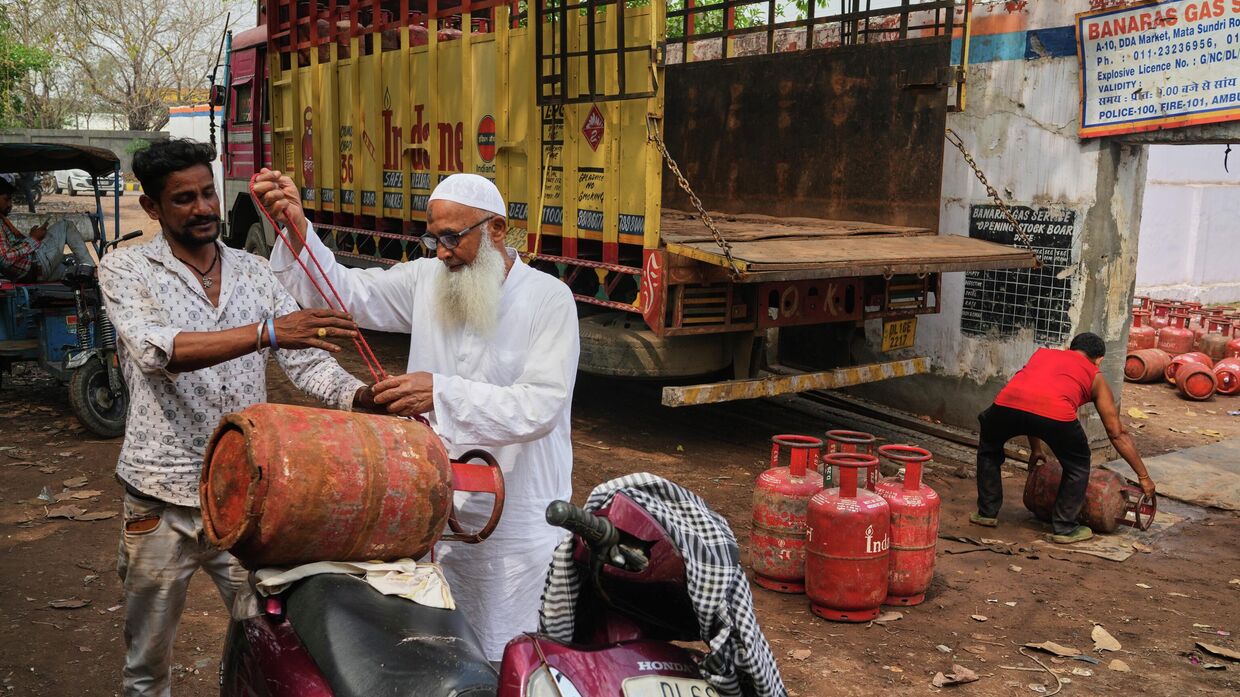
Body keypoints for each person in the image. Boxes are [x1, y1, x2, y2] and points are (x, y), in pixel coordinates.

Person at [254, 169, 579, 661]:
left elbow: (541, 407)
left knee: (513, 654)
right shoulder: (429, 278)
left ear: (497, 230)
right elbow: (343, 292)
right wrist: (299, 228)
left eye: (453, 237)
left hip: (520, 521)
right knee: (444, 650)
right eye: (434, 237)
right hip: (438, 507)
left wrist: (440, 392)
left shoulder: (549, 300)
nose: (443, 250)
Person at [97, 139, 377, 697]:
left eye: (207, 193)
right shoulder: (125, 269)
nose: (202, 207)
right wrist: (265, 333)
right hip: (161, 498)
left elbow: (306, 362)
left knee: (272, 641)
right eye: (183, 199)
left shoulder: (251, 271)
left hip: (245, 494)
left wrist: (364, 398)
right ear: (152, 207)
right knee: (147, 667)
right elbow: (157, 351)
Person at [972, 332, 1157, 544]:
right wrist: (1144, 477)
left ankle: (986, 513)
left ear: (1071, 348)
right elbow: (1116, 433)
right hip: (1056, 414)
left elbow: (1030, 401)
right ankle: (1064, 527)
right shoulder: (1095, 375)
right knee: (1078, 464)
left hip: (1006, 404)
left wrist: (1037, 449)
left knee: (989, 450)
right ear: (1100, 360)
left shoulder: (1042, 355)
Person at [0, 176, 94, 281]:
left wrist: (30, 237)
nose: (9, 204)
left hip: (33, 273)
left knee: (73, 262)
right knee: (65, 225)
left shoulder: (3, 220)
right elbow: (5, 259)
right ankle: (92, 268)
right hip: (33, 266)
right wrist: (33, 239)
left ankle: (88, 273)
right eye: (6, 199)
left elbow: (12, 248)